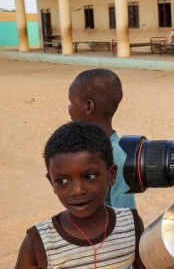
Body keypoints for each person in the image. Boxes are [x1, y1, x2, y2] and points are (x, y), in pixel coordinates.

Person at [15, 121, 145, 268]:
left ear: (111, 174)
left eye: (89, 177)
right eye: (62, 180)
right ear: (51, 182)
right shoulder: (40, 242)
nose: (77, 190)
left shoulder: (131, 224)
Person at [68, 68, 136, 209]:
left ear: (88, 106)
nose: (68, 107)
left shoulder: (117, 156)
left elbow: (126, 215)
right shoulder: (80, 147)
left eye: (71, 102)